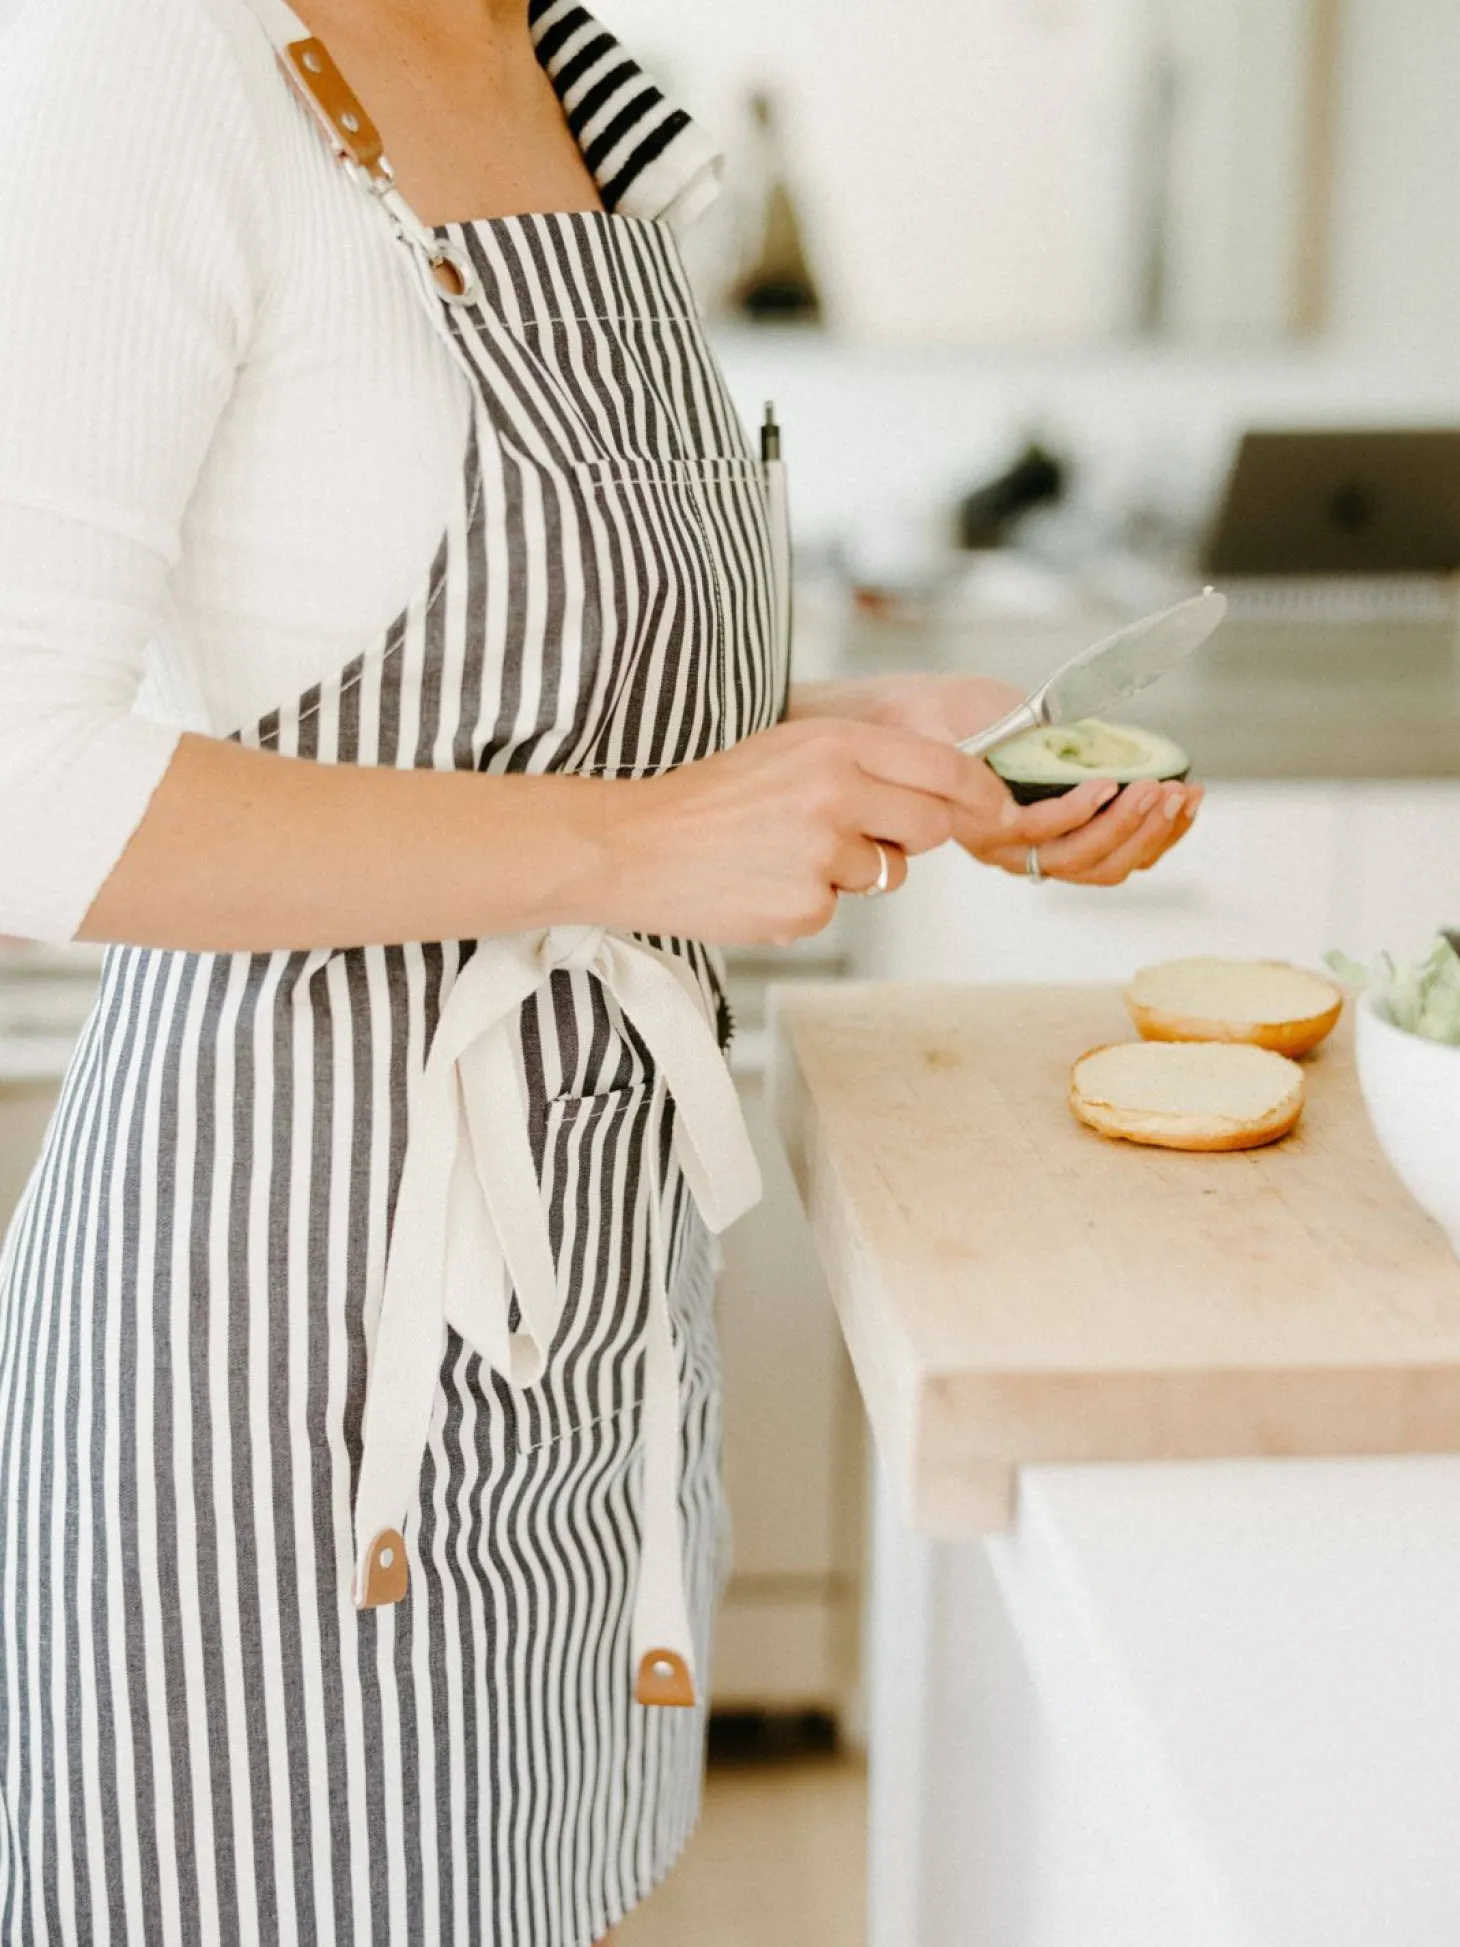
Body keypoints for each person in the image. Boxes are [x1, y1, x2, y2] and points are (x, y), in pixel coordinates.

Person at [0, 0, 1201, 1940]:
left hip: (589, 1339)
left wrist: (861, 741)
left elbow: (546, 712)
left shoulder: (572, 79)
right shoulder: (166, 58)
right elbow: (21, 779)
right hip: (268, 1376)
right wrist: (648, 844)